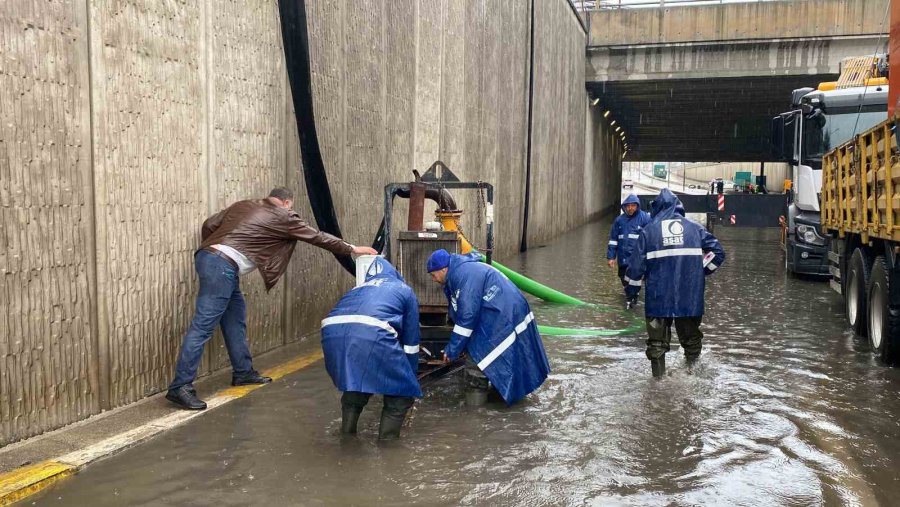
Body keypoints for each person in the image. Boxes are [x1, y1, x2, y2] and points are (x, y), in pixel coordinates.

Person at [166, 187, 377, 410]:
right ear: (287, 203)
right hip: (222, 267)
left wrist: (215, 251)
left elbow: (209, 224)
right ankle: (181, 386)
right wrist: (353, 248)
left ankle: (243, 372)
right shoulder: (284, 216)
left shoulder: (244, 204)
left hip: (213, 260)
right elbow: (318, 237)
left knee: (235, 322)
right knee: (202, 327)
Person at [426, 249, 550, 405]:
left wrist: (453, 349)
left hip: (503, 313)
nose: (433, 279)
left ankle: (475, 411)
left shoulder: (462, 275)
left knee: (477, 360)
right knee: (509, 355)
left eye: (433, 274)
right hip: (506, 308)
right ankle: (507, 396)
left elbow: (467, 316)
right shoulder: (461, 271)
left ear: (444, 269)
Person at [624, 189, 725, 378]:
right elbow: (718, 253)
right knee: (691, 340)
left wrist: (632, 294)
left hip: (658, 298)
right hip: (690, 295)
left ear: (656, 209)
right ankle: (692, 375)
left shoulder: (648, 232)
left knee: (656, 344)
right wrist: (700, 271)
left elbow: (635, 269)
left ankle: (658, 382)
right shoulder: (695, 229)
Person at [320, 257, 421, 440]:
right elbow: (411, 342)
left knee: (355, 381)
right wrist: (410, 377)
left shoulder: (357, 289)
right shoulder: (404, 290)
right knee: (401, 393)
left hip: (331, 335)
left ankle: (347, 437)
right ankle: (388, 446)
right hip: (372, 332)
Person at [607, 194, 651, 308]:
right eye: (628, 206)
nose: (630, 208)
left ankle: (632, 299)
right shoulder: (619, 221)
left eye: (633, 206)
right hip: (623, 258)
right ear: (624, 207)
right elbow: (613, 240)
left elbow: (651, 238)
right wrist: (611, 257)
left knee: (635, 280)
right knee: (624, 278)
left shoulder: (645, 218)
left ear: (637, 206)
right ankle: (630, 295)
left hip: (637, 260)